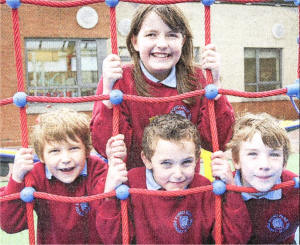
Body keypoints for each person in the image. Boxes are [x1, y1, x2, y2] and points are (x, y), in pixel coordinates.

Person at [90, 4, 235, 170]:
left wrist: (216, 86)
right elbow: (104, 146)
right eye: (151, 34)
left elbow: (219, 141)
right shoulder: (118, 79)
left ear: (183, 41)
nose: (162, 44)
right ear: (135, 41)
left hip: (183, 183)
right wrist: (107, 97)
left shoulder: (198, 78)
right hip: (136, 186)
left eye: (172, 35)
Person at [96, 114, 251, 244]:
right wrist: (109, 195)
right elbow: (113, 239)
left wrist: (231, 189)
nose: (178, 174)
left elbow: (234, 239)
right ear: (147, 160)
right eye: (166, 164)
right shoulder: (131, 183)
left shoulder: (203, 188)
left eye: (186, 162)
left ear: (197, 158)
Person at [0, 108, 108, 244]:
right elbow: (10, 225)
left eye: (73, 148)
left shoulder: (96, 169)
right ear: (41, 156)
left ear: (86, 150)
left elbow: (107, 212)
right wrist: (16, 179)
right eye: (55, 151)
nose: (65, 158)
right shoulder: (36, 175)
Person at [226, 112, 299, 244]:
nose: (264, 165)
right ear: (236, 160)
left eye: (274, 155)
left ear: (284, 162)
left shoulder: (294, 187)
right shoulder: (223, 189)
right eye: (253, 154)